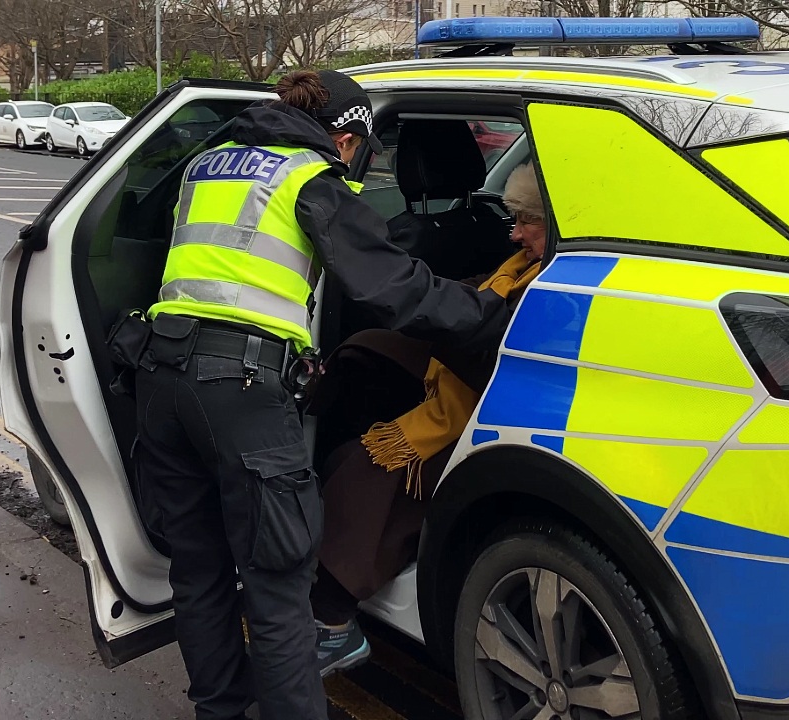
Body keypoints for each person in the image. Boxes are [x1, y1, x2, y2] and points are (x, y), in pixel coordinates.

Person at [130, 70, 512, 720]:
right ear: (347, 137)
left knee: (199, 571)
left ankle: (220, 712)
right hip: (242, 390)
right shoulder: (310, 178)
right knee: (280, 592)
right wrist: (495, 316)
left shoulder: (210, 164)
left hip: (161, 378)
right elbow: (394, 289)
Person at [307, 163, 548, 666]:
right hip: (469, 381)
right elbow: (482, 299)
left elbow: (489, 340)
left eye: (528, 221)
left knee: (368, 468)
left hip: (490, 411)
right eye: (513, 218)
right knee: (361, 353)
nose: (514, 232)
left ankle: (332, 619)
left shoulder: (550, 285)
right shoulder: (521, 265)